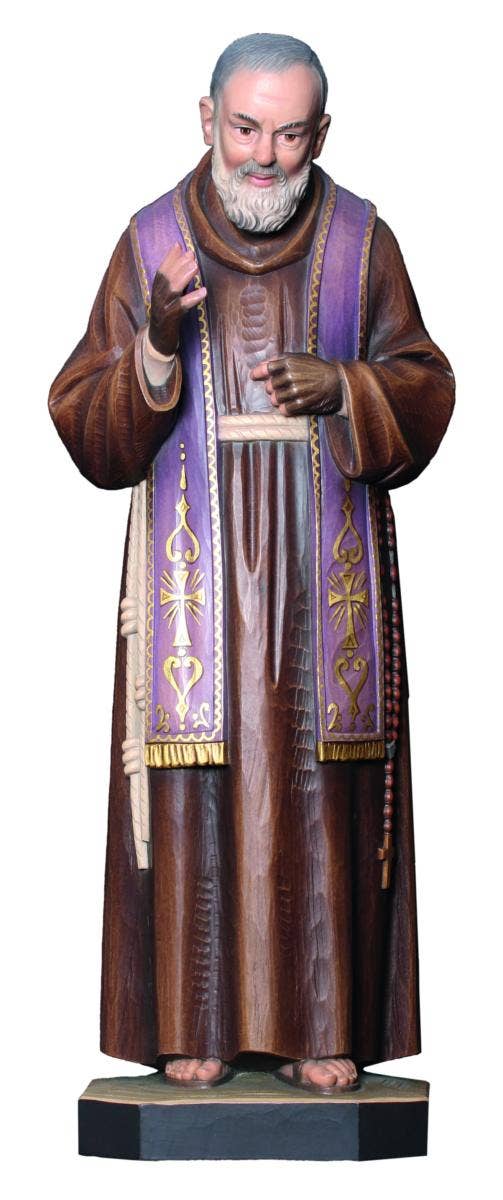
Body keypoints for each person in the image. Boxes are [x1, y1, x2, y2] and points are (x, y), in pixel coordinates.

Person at [49, 33, 454, 1094]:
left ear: (321, 132)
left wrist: (347, 386)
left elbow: (425, 384)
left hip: (320, 585)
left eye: (288, 133)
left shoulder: (361, 242)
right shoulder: (150, 242)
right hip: (199, 587)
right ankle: (197, 1027)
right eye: (244, 129)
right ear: (206, 119)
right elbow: (83, 419)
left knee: (319, 791)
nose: (264, 156)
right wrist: (151, 347)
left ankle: (324, 1028)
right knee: (196, 797)